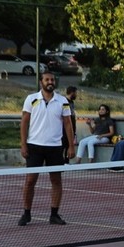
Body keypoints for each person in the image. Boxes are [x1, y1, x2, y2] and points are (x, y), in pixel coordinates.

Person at [19, 71, 77, 226]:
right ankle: (26, 214)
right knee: (30, 180)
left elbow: (68, 124)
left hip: (55, 147)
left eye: (52, 79)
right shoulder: (31, 99)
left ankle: (54, 214)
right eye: (47, 80)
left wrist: (71, 146)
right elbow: (24, 122)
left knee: (56, 180)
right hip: (34, 146)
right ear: (41, 82)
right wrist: (23, 144)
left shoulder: (62, 101)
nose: (50, 82)